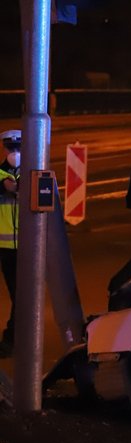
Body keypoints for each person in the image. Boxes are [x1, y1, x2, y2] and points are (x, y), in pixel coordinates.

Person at [0, 129, 20, 357]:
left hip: (24, 248)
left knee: (19, 295)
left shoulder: (33, 172)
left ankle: (12, 339)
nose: (15, 152)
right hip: (5, 247)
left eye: (19, 147)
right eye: (10, 148)